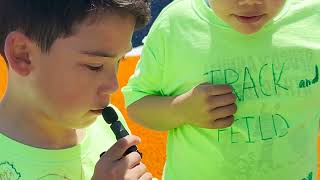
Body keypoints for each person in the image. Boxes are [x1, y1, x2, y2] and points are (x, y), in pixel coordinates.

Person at [122, 0, 320, 179]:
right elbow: (137, 102)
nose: (250, 2)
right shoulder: (176, 25)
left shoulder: (313, 16)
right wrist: (181, 110)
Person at [0, 1, 153, 179]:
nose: (114, 85)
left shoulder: (106, 125)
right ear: (23, 55)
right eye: (95, 66)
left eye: (120, 61)